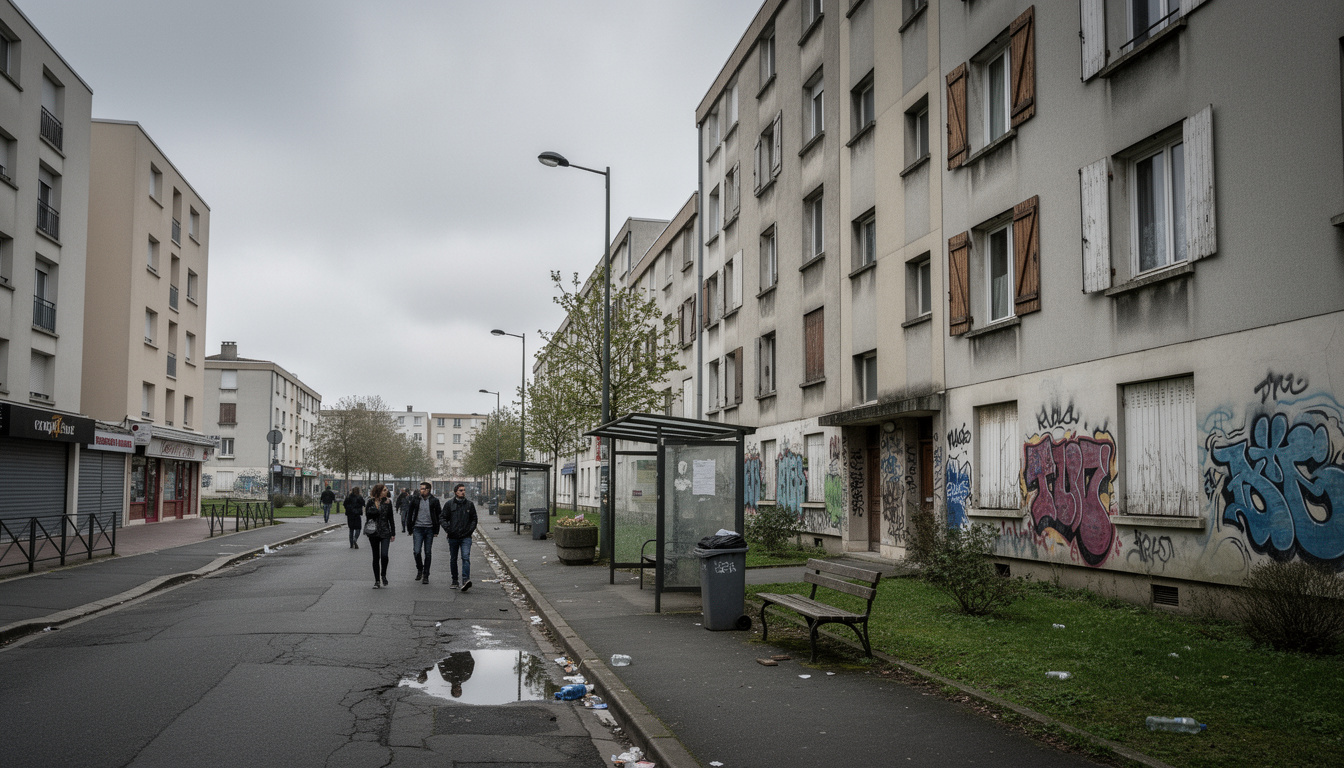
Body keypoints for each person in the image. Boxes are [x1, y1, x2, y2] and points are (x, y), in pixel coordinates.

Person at [442, 483, 479, 592]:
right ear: (456, 492)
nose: (463, 492)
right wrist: (448, 529)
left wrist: (470, 530)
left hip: (465, 536)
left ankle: (465, 579)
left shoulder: (469, 505)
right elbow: (443, 518)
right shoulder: (449, 504)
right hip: (453, 536)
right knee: (453, 558)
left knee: (465, 557)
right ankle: (454, 580)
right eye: (461, 490)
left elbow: (474, 519)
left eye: (464, 490)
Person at [405, 481, 441, 584]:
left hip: (429, 529)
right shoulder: (415, 500)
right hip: (418, 528)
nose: (421, 490)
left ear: (428, 490)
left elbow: (439, 516)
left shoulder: (434, 501)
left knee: (428, 553)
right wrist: (409, 528)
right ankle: (420, 568)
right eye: (420, 488)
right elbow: (410, 514)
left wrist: (436, 530)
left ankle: (426, 574)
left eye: (423, 489)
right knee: (416, 551)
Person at [365, 484, 395, 588]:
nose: (386, 491)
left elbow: (391, 518)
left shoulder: (388, 502)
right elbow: (367, 515)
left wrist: (393, 533)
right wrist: (376, 509)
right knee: (376, 557)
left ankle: (383, 575)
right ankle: (377, 581)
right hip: (373, 532)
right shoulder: (370, 502)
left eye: (386, 490)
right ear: (379, 491)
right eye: (384, 490)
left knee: (384, 555)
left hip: (385, 531)